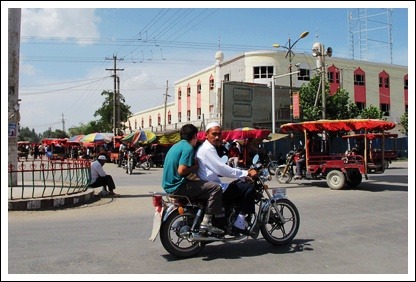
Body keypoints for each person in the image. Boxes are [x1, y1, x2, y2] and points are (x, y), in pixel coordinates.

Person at [195, 122, 258, 235]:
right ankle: (239, 223)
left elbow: (217, 169)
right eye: (214, 134)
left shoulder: (208, 148)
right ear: (206, 135)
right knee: (248, 187)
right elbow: (221, 169)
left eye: (219, 134)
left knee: (237, 185)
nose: (217, 137)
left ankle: (230, 218)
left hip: (210, 183)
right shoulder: (208, 149)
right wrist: (245, 173)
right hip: (213, 187)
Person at [162, 123, 224, 234]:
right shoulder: (188, 148)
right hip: (178, 186)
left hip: (169, 185)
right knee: (216, 188)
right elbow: (181, 170)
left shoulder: (176, 146)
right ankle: (206, 223)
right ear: (195, 136)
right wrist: (195, 166)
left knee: (203, 185)